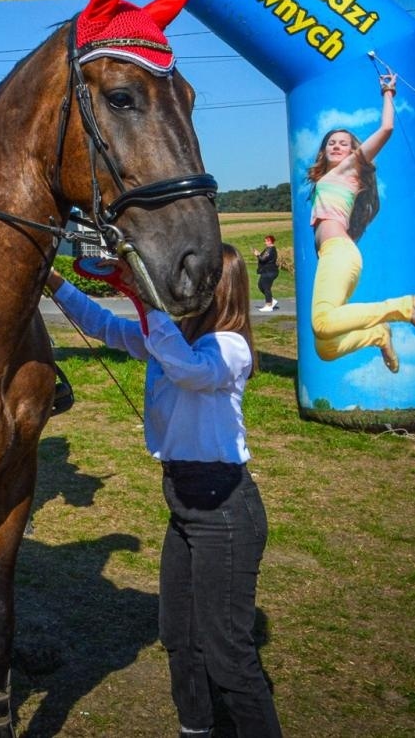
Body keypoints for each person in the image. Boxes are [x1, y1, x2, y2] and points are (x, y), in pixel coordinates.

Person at [47, 246, 282, 737]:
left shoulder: (229, 346)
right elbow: (105, 326)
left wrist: (143, 299)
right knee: (178, 634)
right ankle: (196, 728)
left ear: (215, 289)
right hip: (185, 504)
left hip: (224, 509)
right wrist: (55, 283)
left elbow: (189, 371)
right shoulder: (173, 338)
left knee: (228, 653)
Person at [306, 73, 415, 372]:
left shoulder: (349, 169)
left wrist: (388, 92)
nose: (336, 146)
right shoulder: (326, 178)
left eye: (343, 143)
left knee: (322, 323)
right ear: (324, 150)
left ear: (352, 152)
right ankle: (378, 335)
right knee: (326, 347)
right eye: (331, 143)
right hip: (333, 256)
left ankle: (402, 307)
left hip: (339, 253)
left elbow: (386, 129)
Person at [254, 235, 280, 311]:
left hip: (270, 271)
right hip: (266, 271)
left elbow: (263, 259)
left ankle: (268, 305)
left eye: (266, 241)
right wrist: (259, 254)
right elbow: (264, 257)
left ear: (270, 241)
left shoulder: (271, 250)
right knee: (260, 285)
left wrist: (257, 255)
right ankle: (271, 300)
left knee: (266, 287)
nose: (265, 242)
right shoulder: (268, 249)